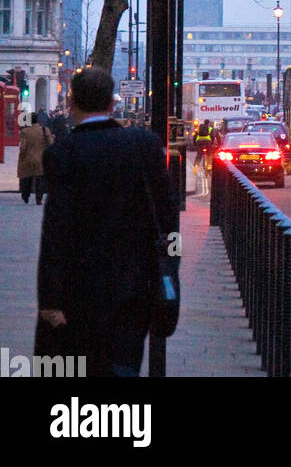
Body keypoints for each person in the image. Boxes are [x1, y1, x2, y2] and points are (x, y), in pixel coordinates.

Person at [36, 65, 177, 378]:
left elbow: (56, 230)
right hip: (134, 288)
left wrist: (50, 299)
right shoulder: (144, 145)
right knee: (124, 366)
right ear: (112, 104)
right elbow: (168, 215)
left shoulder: (63, 153)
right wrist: (167, 270)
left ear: (71, 104)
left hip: (79, 292)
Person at [18, 114, 50, 204]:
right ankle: (38, 198)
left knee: (27, 178)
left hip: (27, 158)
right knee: (40, 179)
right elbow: (50, 143)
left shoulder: (24, 131)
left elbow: (23, 147)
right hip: (41, 158)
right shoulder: (44, 130)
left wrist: (21, 156)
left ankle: (25, 196)